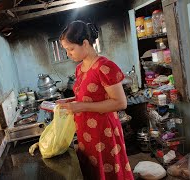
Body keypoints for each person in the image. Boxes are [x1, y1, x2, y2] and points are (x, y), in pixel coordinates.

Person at [58, 20, 134, 180]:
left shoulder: (105, 67)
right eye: (66, 50)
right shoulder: (80, 68)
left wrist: (80, 107)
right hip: (86, 132)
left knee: (108, 170)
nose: (68, 54)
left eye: (71, 49)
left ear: (85, 43)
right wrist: (71, 102)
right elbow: (86, 98)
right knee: (93, 171)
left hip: (103, 131)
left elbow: (120, 103)